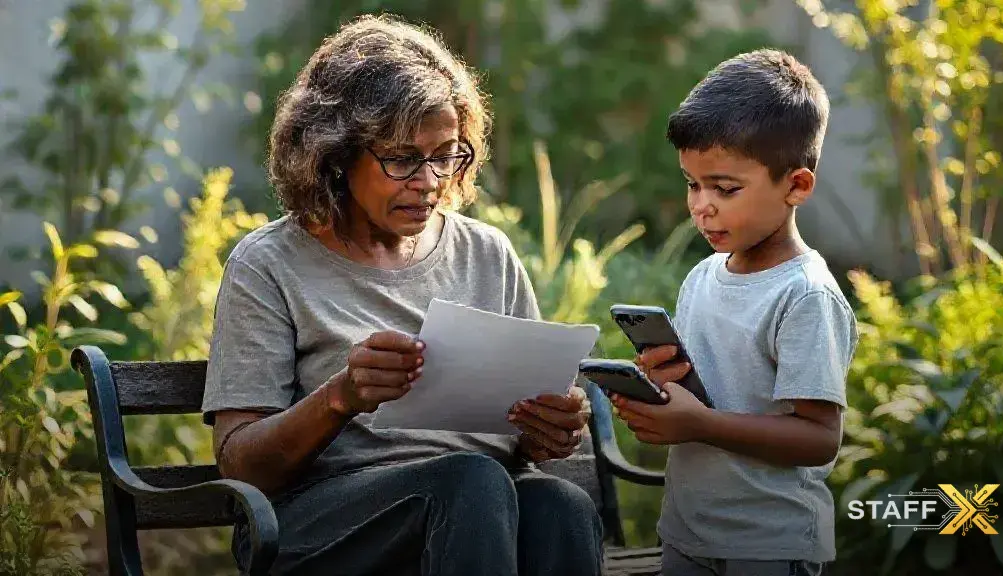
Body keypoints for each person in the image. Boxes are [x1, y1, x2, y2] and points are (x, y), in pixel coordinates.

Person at [201, 15, 602, 576]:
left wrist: (546, 430)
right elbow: (242, 468)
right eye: (402, 158)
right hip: (320, 525)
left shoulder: (487, 254)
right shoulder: (268, 264)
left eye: (446, 154)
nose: (430, 180)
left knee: (561, 505)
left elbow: (521, 450)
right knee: (469, 482)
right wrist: (340, 396)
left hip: (473, 507)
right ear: (335, 155)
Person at [610, 49, 859, 576]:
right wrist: (660, 395)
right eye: (692, 184)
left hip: (770, 543)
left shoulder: (805, 295)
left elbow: (819, 438)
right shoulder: (702, 277)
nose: (702, 205)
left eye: (725, 188)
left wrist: (700, 424)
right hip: (686, 531)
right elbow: (708, 392)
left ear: (796, 185)